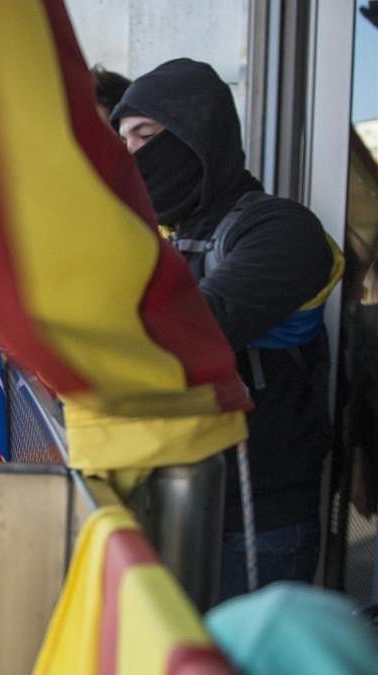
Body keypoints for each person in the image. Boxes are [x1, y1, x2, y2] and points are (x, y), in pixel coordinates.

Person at [111, 58, 339, 601]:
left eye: (145, 136)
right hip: (172, 503)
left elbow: (188, 331)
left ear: (196, 136)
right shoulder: (163, 237)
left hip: (259, 521)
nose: (130, 156)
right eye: (122, 141)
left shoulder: (280, 229)